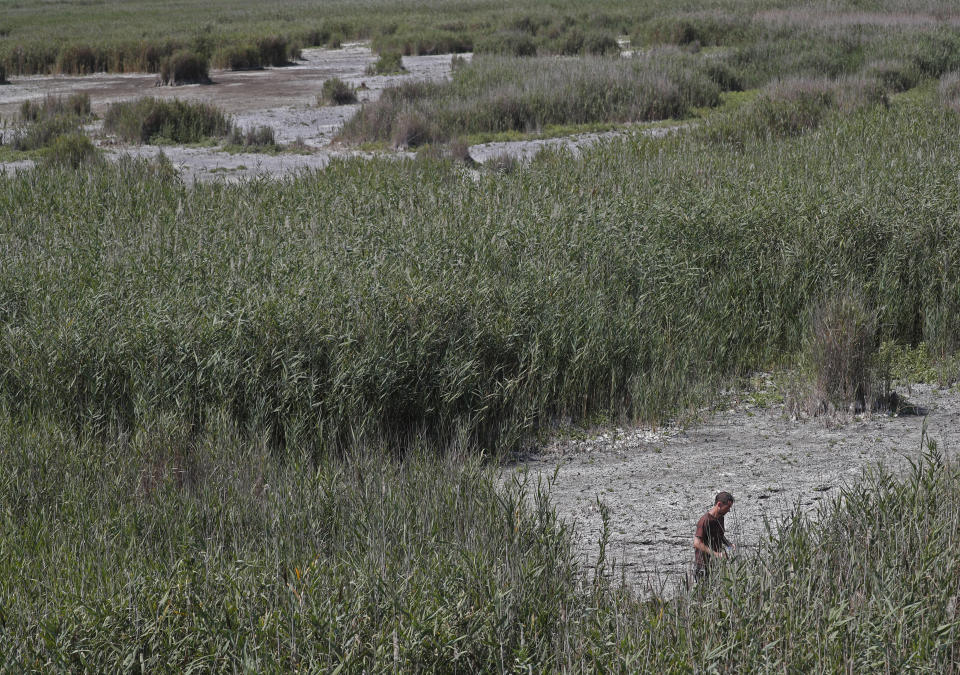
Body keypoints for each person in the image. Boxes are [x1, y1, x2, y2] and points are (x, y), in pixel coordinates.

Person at [692, 491, 735, 582]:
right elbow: (697, 543)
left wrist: (728, 544)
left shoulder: (720, 518)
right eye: (727, 507)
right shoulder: (705, 520)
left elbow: (719, 535)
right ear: (719, 504)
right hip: (703, 566)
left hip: (715, 565)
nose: (729, 510)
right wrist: (716, 554)